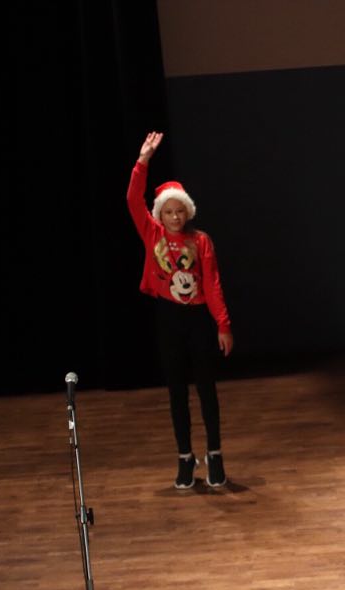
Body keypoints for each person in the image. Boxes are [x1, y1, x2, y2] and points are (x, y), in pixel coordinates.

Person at [127, 131, 234, 488]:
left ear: (187, 211)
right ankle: (185, 457)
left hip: (198, 319)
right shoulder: (153, 234)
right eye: (168, 212)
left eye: (180, 211)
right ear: (161, 214)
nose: (175, 217)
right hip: (169, 318)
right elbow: (132, 199)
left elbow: (212, 284)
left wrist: (223, 324)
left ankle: (215, 455)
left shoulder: (200, 241)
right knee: (176, 391)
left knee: (206, 389)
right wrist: (143, 160)